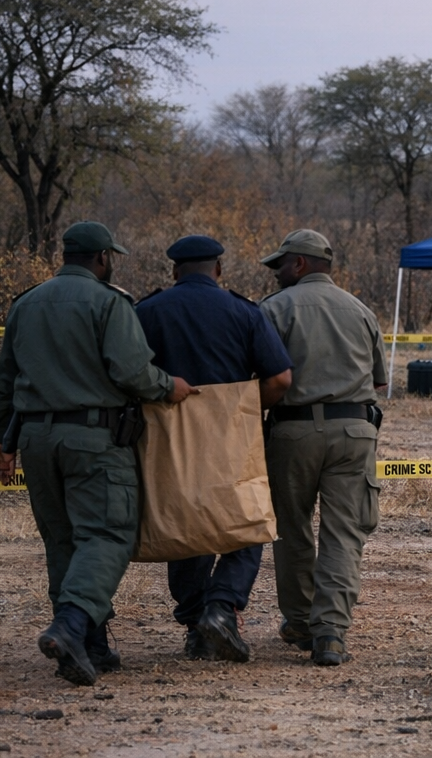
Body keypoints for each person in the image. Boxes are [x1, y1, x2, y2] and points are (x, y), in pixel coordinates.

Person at [0, 221, 196, 686]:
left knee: (63, 541)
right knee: (105, 535)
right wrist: (170, 387)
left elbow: (6, 384)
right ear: (103, 258)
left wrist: (3, 441)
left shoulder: (26, 304)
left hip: (38, 441)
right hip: (95, 439)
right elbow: (132, 372)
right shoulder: (109, 302)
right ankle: (71, 626)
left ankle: (90, 648)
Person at [134, 234, 293, 663]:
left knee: (183, 524)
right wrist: (244, 407)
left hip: (167, 443)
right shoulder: (244, 312)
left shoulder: (145, 312)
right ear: (219, 270)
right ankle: (222, 608)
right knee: (247, 524)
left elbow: (125, 373)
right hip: (230, 439)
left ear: (173, 272)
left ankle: (194, 624)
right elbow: (280, 380)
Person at [257, 229, 388, 667]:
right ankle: (330, 632)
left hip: (292, 432)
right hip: (354, 433)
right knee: (344, 534)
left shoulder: (273, 310)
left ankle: (299, 622)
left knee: (291, 529)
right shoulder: (361, 310)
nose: (276, 274)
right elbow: (380, 383)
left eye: (280, 265)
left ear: (299, 264)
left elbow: (259, 378)